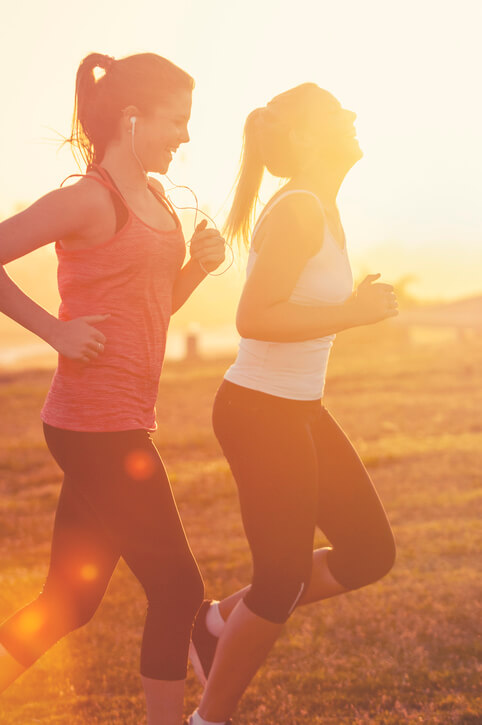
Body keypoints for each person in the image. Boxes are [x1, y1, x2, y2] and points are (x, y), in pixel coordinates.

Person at [0, 52, 225, 725]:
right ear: (133, 118)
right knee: (180, 586)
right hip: (93, 424)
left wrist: (196, 270)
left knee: (70, 601)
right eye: (177, 121)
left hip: (122, 417)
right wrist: (54, 331)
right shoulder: (88, 198)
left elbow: (151, 310)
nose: (185, 136)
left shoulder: (156, 197)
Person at [186, 83, 398, 725]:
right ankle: (207, 718)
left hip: (297, 406)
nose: (354, 115)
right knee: (280, 583)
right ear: (307, 136)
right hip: (260, 410)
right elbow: (254, 318)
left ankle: (218, 621)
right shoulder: (300, 209)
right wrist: (351, 313)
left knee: (369, 553)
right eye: (338, 112)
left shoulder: (322, 207)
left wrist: (347, 303)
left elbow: (294, 302)